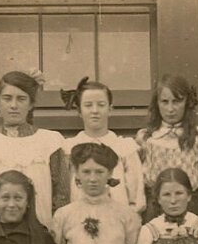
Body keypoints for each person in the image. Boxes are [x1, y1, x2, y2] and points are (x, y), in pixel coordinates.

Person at [0, 70, 67, 226]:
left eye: (21, 99)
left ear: (31, 104)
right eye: (7, 98)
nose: (13, 105)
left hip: (40, 232)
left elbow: (61, 195)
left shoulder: (49, 142)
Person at [135, 74, 198, 221]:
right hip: (155, 211)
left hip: (192, 211)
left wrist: (197, 206)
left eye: (177, 101)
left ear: (187, 102)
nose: (170, 109)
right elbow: (138, 181)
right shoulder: (145, 138)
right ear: (157, 104)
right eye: (164, 102)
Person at [60, 77, 145, 213]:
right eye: (88, 105)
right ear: (79, 112)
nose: (95, 110)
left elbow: (137, 196)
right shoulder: (68, 148)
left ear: (110, 109)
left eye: (101, 105)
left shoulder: (124, 148)